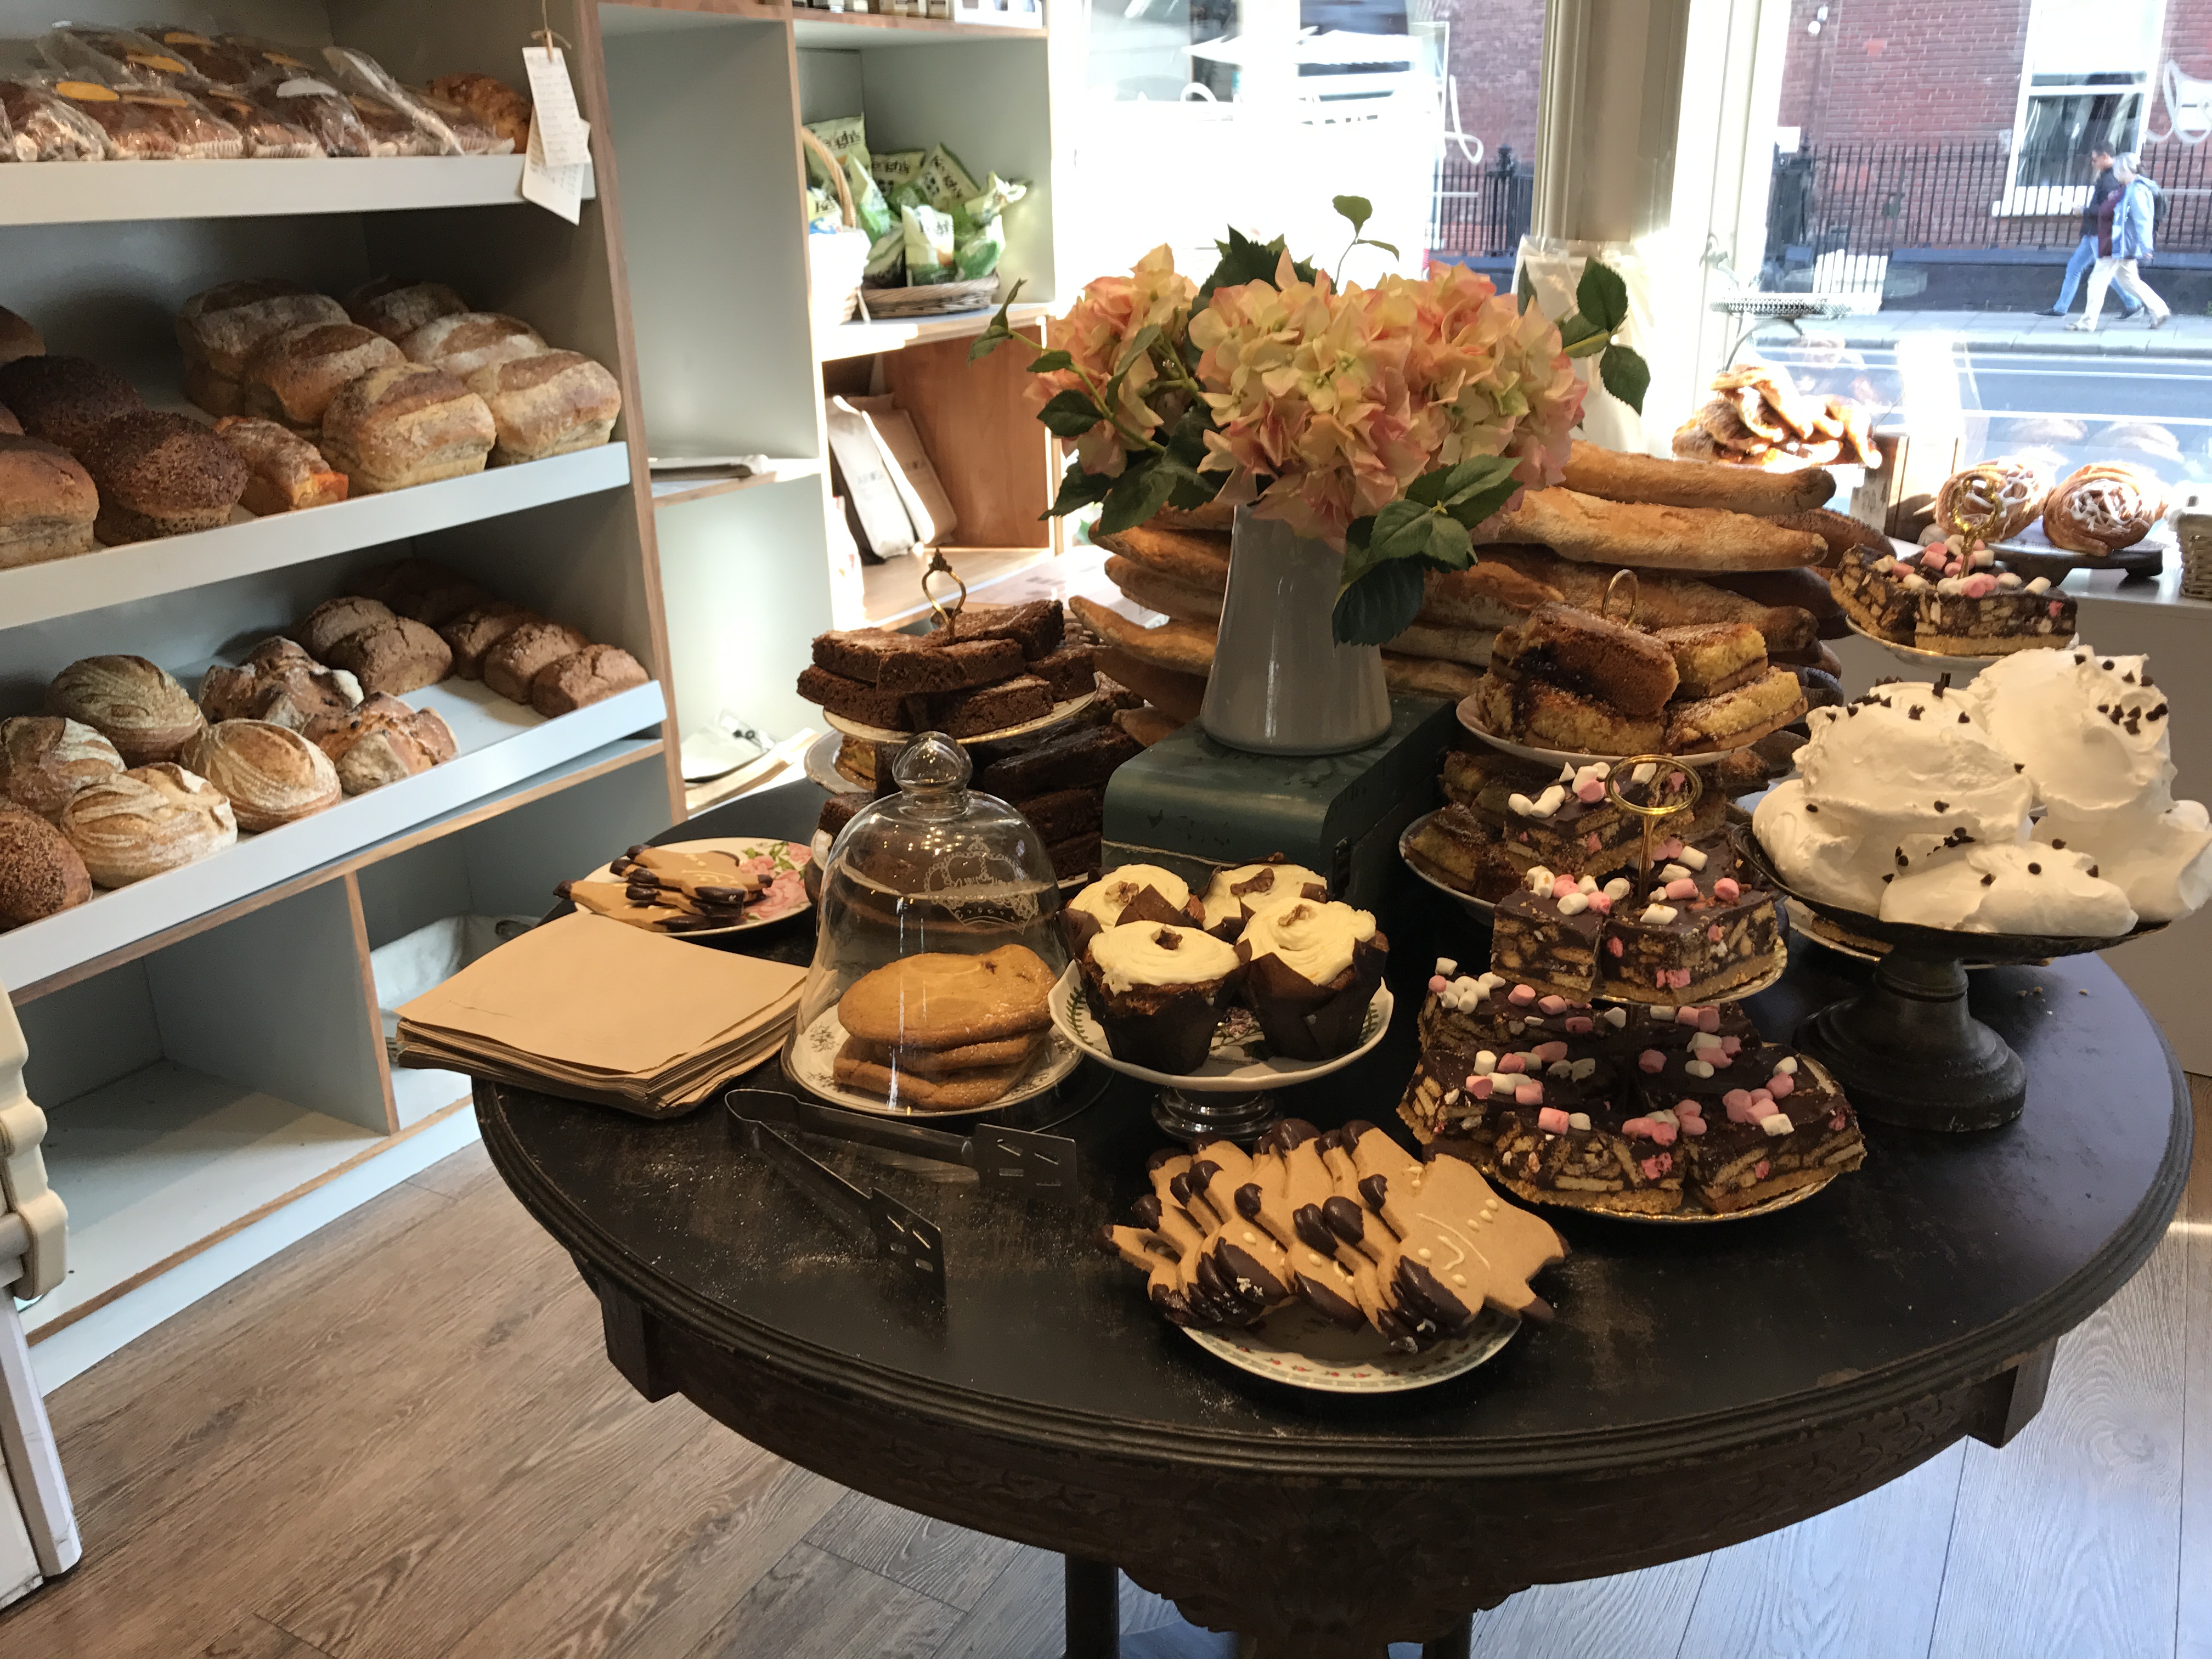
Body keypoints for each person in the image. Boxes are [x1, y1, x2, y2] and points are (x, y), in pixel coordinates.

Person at [2070, 154, 2172, 331]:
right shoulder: (2127, 188)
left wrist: (2146, 245)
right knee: (2129, 281)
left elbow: (2142, 219)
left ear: (2125, 170)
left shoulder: (2136, 191)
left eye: (2117, 170)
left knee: (2096, 281)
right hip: (2118, 242)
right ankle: (2160, 310)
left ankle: (2088, 322)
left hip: (2118, 243)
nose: (2115, 173)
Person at [2046, 146, 2142, 319]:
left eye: (2095, 159)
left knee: (2106, 273)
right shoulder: (2109, 176)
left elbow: (2107, 210)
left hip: (2099, 232)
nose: (2093, 163)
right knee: (2075, 267)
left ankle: (2133, 303)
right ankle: (2060, 308)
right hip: (2092, 231)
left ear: (2105, 156)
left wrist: (2083, 210)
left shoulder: (2110, 179)